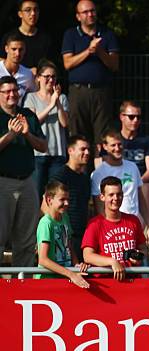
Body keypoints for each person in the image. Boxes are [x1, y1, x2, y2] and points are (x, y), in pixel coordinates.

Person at [0, 75, 46, 267]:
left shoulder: (27, 115)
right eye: (7, 91)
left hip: (28, 181)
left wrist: (27, 133)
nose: (12, 95)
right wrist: (10, 136)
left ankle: (22, 284)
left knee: (26, 240)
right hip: (3, 182)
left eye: (15, 90)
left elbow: (43, 146)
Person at [61, 0, 119, 149]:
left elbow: (114, 65)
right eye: (85, 12)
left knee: (102, 138)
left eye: (92, 11)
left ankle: (101, 171)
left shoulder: (107, 34)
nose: (90, 15)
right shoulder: (70, 35)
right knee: (78, 137)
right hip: (78, 92)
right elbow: (67, 63)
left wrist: (99, 51)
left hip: (101, 91)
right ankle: (79, 171)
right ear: (78, 16)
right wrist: (89, 51)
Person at [91, 131, 149, 243]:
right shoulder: (98, 173)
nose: (117, 148)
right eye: (113, 145)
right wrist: (108, 229)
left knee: (142, 259)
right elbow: (99, 207)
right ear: (105, 147)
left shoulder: (132, 167)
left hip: (135, 225)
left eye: (120, 144)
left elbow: (140, 198)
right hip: (114, 229)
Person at [82, 176, 147, 281]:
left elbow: (143, 248)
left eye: (119, 194)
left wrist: (138, 257)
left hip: (132, 281)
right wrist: (112, 261)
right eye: (111, 195)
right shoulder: (95, 224)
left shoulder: (133, 220)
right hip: (107, 284)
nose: (116, 198)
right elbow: (87, 255)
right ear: (102, 197)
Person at [24, 60, 69, 197]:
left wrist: (58, 103)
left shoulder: (62, 98)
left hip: (57, 154)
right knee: (37, 193)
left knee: (55, 194)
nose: (50, 80)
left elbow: (65, 123)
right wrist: (51, 105)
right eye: (47, 76)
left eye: (53, 77)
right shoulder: (31, 98)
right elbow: (33, 122)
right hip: (38, 154)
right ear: (38, 78)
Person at [36, 181, 89, 288]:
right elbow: (43, 259)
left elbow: (69, 246)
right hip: (48, 282)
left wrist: (76, 265)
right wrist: (71, 274)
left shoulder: (65, 217)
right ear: (49, 200)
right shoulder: (46, 223)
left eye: (68, 199)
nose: (67, 203)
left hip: (64, 278)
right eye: (62, 200)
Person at [49, 135, 91, 262]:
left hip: (82, 237)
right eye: (83, 149)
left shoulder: (85, 177)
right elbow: (46, 206)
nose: (87, 152)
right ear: (70, 151)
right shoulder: (60, 175)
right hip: (64, 238)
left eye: (88, 149)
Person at [117, 100, 149, 224]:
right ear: (121, 117)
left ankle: (141, 231)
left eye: (138, 117)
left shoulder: (147, 140)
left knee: (145, 187)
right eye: (131, 117)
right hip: (118, 184)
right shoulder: (114, 141)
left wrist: (136, 182)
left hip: (141, 183)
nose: (135, 120)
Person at [0, 0, 53, 74]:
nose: (33, 13)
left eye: (36, 10)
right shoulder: (9, 36)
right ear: (20, 14)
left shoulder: (45, 38)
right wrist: (25, 71)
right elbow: (1, 59)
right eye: (28, 10)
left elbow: (50, 63)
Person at [0, 34, 35, 104]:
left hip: (18, 113)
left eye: (21, 49)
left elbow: (34, 97)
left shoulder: (28, 74)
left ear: (25, 50)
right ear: (6, 49)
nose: (17, 53)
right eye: (14, 49)